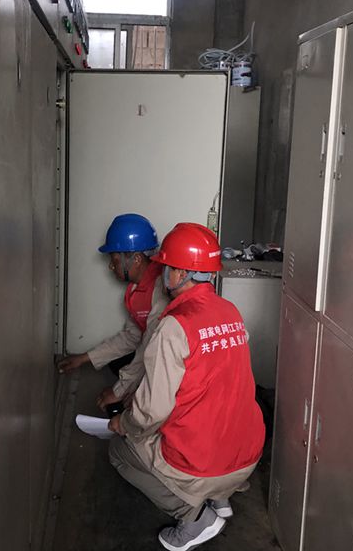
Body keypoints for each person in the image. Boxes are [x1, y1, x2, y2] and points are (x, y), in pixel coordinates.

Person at [107, 223, 265, 551]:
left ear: (179, 274)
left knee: (120, 451)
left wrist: (124, 423)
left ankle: (194, 517)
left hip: (202, 464)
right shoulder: (230, 311)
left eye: (166, 268)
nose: (162, 274)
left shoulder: (174, 326)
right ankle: (219, 498)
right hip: (247, 456)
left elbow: (152, 411)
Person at [58, 213, 169, 408]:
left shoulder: (160, 291)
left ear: (136, 259)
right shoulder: (137, 289)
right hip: (154, 352)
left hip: (166, 363)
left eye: (115, 260)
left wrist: (119, 391)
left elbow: (149, 348)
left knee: (122, 406)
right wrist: (85, 358)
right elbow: (133, 337)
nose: (110, 266)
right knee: (116, 363)